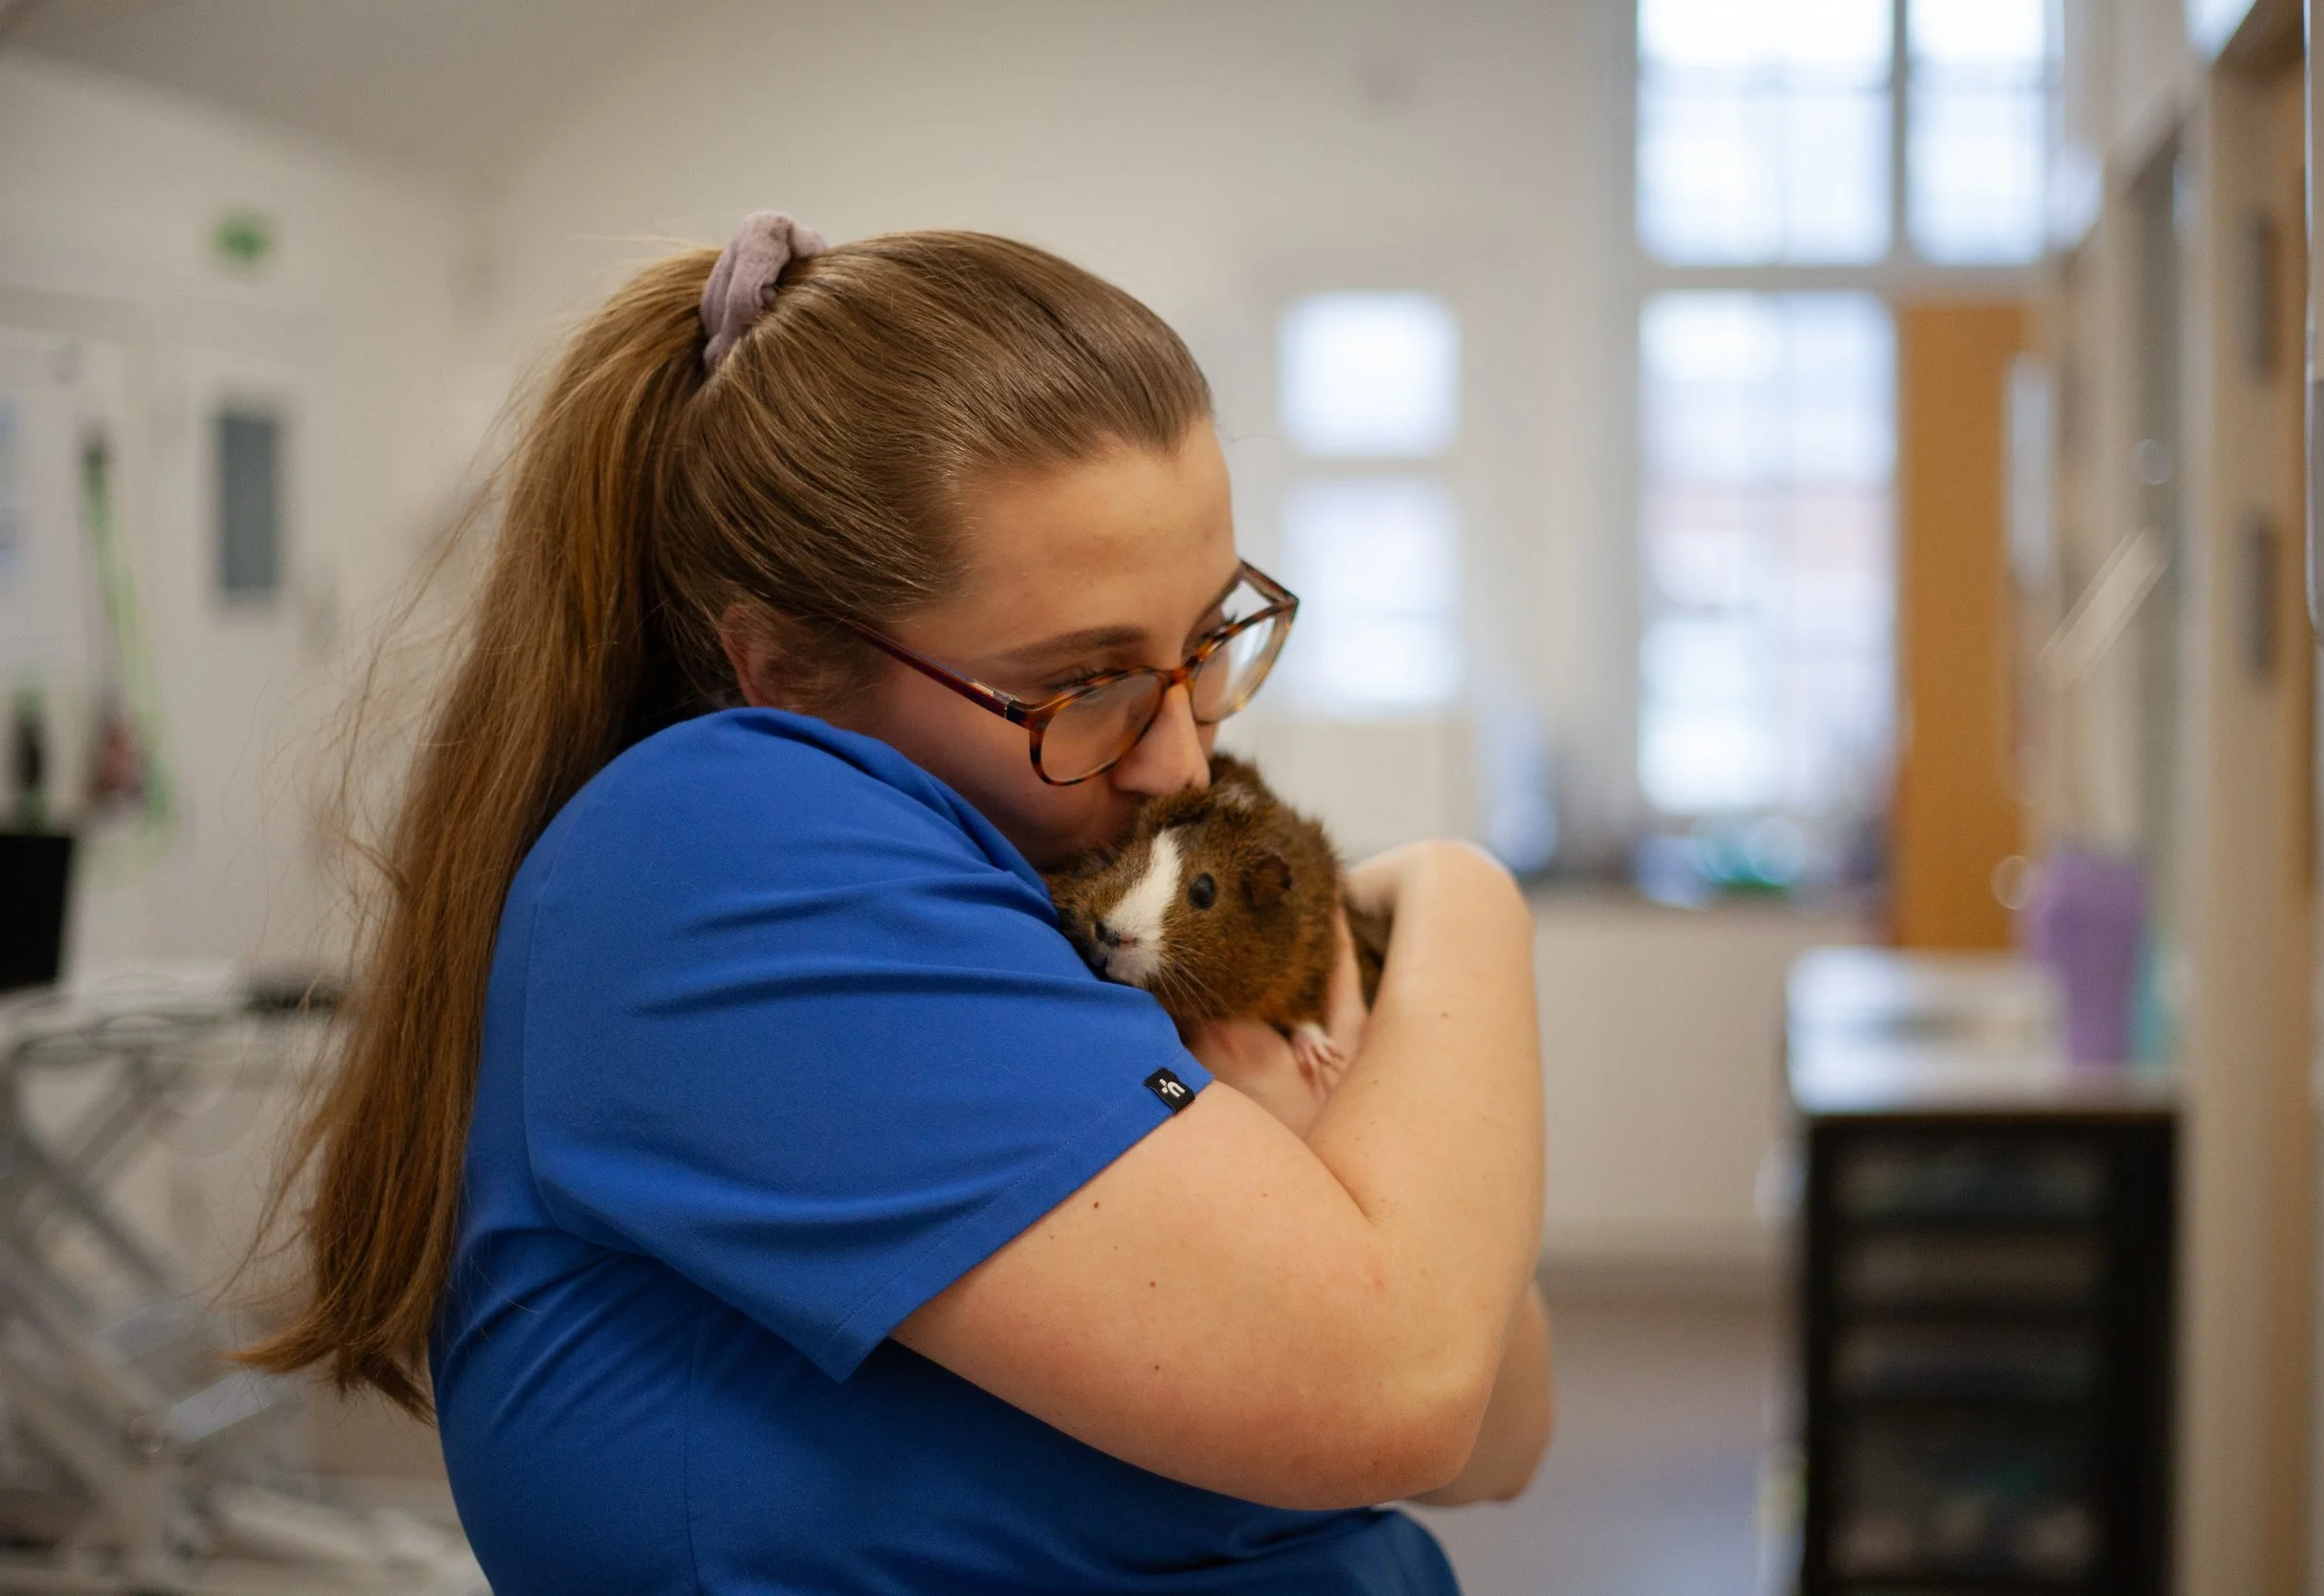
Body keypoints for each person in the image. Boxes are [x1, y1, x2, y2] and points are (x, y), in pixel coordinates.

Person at [243, 213, 1550, 1593]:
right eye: (1084, 683)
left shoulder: (1025, 882)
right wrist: (1465, 896)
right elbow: (1407, 1386)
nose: (1182, 758)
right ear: (783, 669)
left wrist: (1365, 1205)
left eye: (1209, 637)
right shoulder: (722, 844)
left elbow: (1492, 1429)